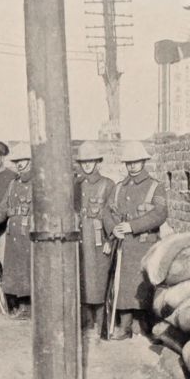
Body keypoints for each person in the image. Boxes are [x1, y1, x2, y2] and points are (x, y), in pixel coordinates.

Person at [102, 141, 168, 340]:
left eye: (136, 162)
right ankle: (125, 326)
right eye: (128, 162)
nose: (132, 166)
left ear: (143, 162)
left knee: (144, 286)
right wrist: (114, 227)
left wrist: (132, 226)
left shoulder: (156, 186)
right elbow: (107, 211)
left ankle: (144, 326)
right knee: (122, 286)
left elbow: (160, 213)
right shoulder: (119, 187)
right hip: (123, 245)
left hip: (145, 246)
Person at [0, 144, 32, 319]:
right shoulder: (13, 184)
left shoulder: (38, 183)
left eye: (23, 161)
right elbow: (3, 208)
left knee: (28, 270)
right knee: (15, 271)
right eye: (17, 161)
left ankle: (28, 307)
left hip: (29, 235)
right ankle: (20, 305)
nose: (20, 164)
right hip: (14, 235)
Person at [74, 141, 115, 337]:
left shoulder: (108, 185)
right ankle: (86, 321)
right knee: (82, 278)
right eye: (84, 162)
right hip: (81, 239)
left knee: (99, 279)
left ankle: (101, 321)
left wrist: (110, 240)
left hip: (100, 240)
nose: (87, 165)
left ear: (98, 162)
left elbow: (113, 215)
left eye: (91, 161)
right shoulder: (76, 185)